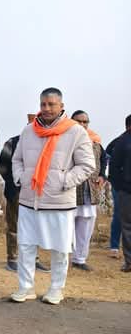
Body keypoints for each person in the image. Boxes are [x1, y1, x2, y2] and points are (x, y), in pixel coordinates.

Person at [10, 88, 95, 305]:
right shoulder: (29, 130)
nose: (46, 108)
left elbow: (87, 165)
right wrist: (21, 178)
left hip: (59, 201)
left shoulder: (76, 131)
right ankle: (25, 287)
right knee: (26, 246)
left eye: (51, 104)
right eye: (43, 104)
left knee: (60, 248)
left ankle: (56, 289)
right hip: (29, 199)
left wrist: (64, 181)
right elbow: (17, 159)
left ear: (61, 106)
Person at [0, 114, 51, 273]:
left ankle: (34, 259)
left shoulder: (46, 143)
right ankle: (12, 258)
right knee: (14, 225)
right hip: (16, 192)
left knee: (36, 227)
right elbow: (2, 167)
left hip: (37, 193)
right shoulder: (13, 142)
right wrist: (16, 181)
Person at [70, 110, 106, 271]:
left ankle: (79, 259)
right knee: (67, 226)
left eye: (85, 122)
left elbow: (103, 160)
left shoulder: (95, 141)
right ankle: (64, 257)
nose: (82, 124)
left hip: (90, 190)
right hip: (70, 190)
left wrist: (102, 176)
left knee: (86, 226)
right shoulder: (65, 139)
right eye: (79, 121)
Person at [108, 114, 131, 272]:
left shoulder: (121, 141)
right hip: (126, 190)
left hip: (124, 189)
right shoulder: (122, 142)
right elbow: (114, 167)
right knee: (126, 225)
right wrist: (121, 187)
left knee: (127, 225)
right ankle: (129, 261)